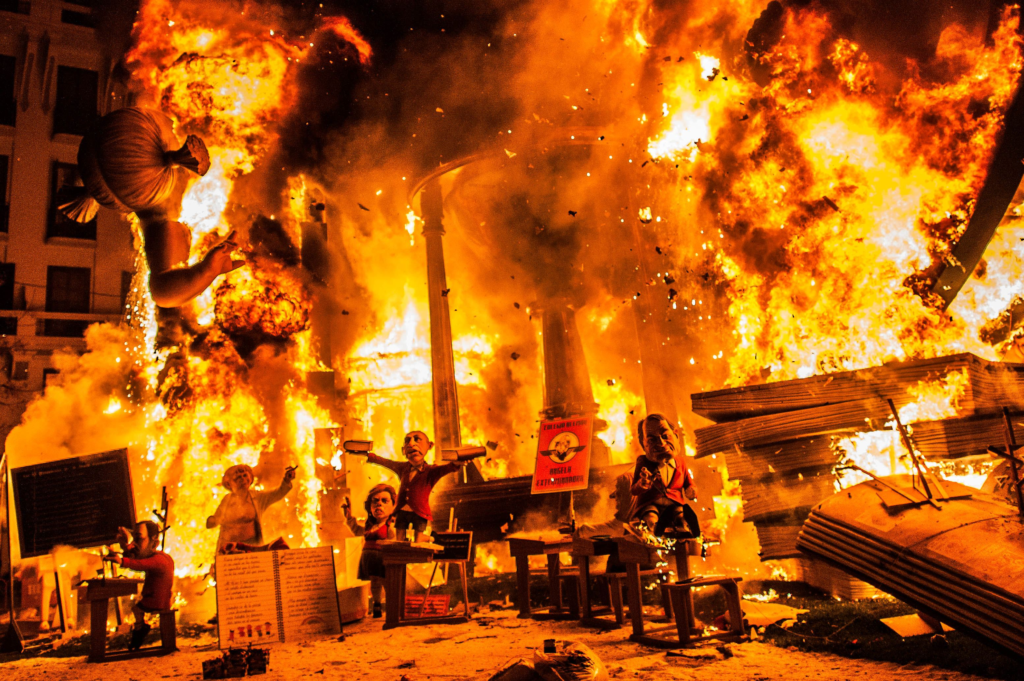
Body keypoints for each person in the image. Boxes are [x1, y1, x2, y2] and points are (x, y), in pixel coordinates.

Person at [353, 431, 465, 540]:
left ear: (429, 446)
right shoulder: (403, 468)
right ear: (403, 450)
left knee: (418, 539)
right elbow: (385, 462)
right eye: (407, 441)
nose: (411, 443)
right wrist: (368, 456)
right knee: (399, 537)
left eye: (417, 439)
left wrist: (456, 464)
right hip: (401, 510)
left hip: (419, 512)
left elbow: (445, 469)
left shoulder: (431, 471)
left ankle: (429, 538)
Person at [104, 521, 174, 651]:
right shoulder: (157, 556)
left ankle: (140, 630)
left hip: (157, 599)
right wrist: (125, 544)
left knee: (137, 609)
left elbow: (140, 563)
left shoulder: (160, 560)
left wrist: (121, 560)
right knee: (136, 609)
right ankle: (139, 632)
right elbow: (137, 554)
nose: (135, 543)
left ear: (154, 541)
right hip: (153, 596)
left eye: (139, 538)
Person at [630, 413, 700, 538]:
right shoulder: (643, 462)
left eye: (665, 436)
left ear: (676, 434)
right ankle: (657, 529)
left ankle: (684, 529)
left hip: (674, 504)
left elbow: (689, 483)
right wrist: (642, 484)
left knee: (680, 515)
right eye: (652, 440)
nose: (661, 443)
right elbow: (634, 490)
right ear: (643, 443)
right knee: (651, 517)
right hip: (651, 504)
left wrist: (692, 491)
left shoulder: (681, 463)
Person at [207, 464, 295, 554]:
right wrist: (212, 521)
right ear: (229, 484)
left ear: (250, 478)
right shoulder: (227, 500)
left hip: (252, 548)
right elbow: (216, 519)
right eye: (237, 478)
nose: (242, 479)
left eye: (245, 475)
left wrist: (287, 480)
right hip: (229, 548)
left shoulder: (257, 497)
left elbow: (276, 494)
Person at [342, 483, 397, 618]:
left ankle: (392, 607)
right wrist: (349, 518)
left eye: (384, 501)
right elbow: (357, 531)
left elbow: (394, 541)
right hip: (369, 559)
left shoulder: (391, 526)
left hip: (382, 559)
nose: (379, 505)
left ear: (393, 505)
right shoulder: (370, 526)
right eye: (375, 501)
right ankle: (376, 605)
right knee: (375, 582)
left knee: (386, 582)